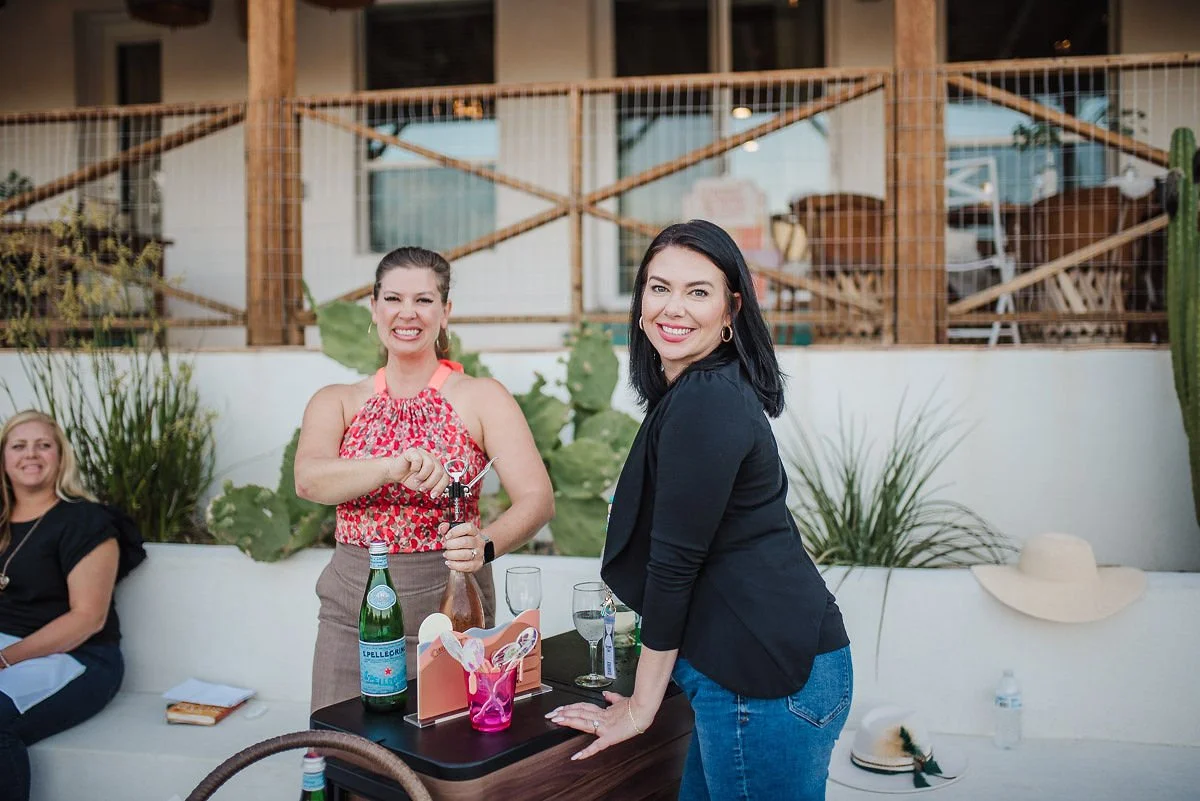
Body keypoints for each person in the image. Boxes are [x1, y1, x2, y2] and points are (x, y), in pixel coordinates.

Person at [546, 220, 853, 800]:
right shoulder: (699, 390)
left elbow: (674, 566)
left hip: (764, 682)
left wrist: (641, 707)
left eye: (698, 291)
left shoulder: (706, 400)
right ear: (640, 301)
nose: (674, 308)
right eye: (659, 287)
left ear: (731, 309)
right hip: (752, 671)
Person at [296, 246, 554, 712]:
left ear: (445, 312)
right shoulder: (337, 400)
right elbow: (309, 481)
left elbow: (537, 499)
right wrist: (391, 466)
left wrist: (483, 546)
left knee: (444, 743)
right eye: (393, 299)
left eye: (424, 300)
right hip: (351, 610)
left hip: (451, 604)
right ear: (374, 308)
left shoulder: (482, 397)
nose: (407, 313)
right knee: (342, 742)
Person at [0, 411, 126, 801]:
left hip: (76, 656)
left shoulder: (84, 521)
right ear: (4, 457)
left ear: (60, 456)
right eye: (19, 445)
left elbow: (88, 618)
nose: (31, 454)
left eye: (43, 445)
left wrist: (5, 659)